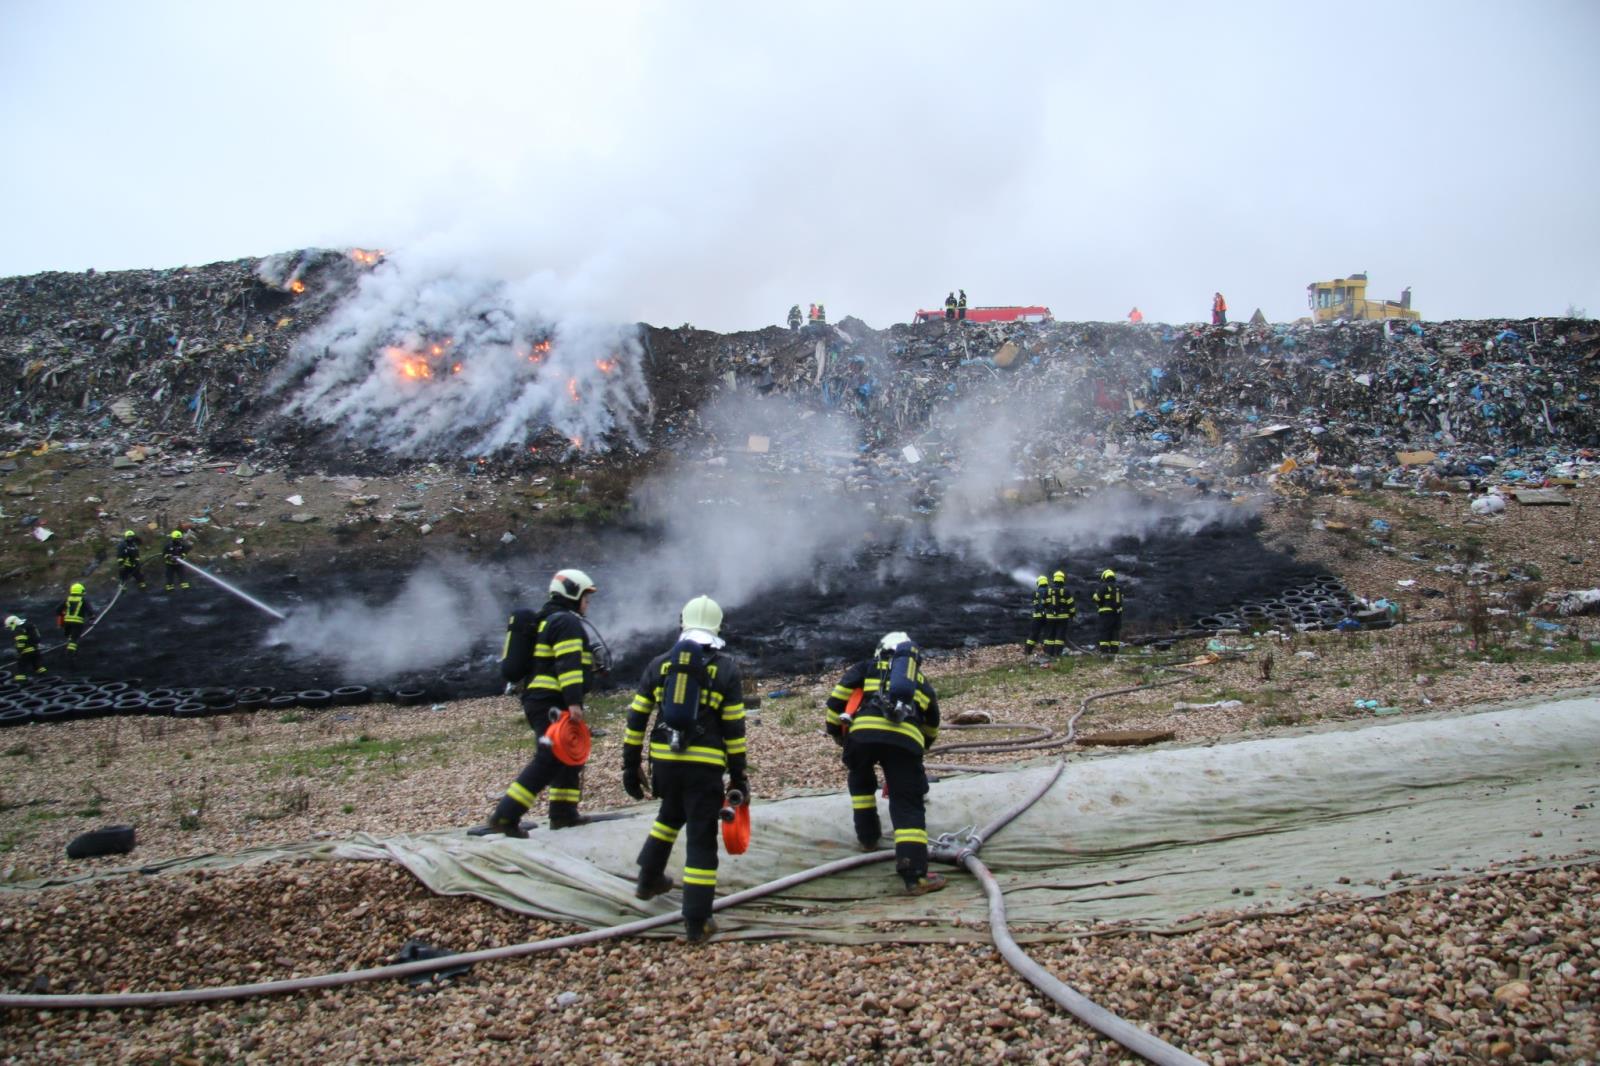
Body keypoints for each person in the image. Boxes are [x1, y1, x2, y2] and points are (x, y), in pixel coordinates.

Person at [622, 595, 748, 944]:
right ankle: (697, 920)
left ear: (683, 624)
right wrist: (739, 775)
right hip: (703, 766)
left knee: (670, 812)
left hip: (664, 761)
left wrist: (630, 766)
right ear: (717, 628)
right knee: (701, 837)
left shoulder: (659, 664)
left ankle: (648, 879)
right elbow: (734, 729)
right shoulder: (726, 669)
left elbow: (636, 720)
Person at [472, 568, 601, 837]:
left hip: (545, 700)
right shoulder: (566, 623)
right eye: (585, 597)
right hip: (551, 702)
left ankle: (564, 814)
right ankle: (505, 816)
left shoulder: (548, 620)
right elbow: (568, 664)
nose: (587, 604)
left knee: (568, 757)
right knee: (549, 758)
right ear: (572, 594)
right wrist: (574, 702)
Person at [824, 632, 945, 895]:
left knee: (861, 783)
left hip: (861, 736)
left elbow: (836, 701)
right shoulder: (918, 681)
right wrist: (919, 749)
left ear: (880, 650)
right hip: (904, 741)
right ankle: (914, 877)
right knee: (907, 803)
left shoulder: (865, 668)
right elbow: (932, 723)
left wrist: (835, 731)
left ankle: (867, 839)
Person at [55, 582, 94, 663]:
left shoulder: (68, 599)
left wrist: (63, 615)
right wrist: (91, 618)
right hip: (77, 623)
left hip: (67, 622)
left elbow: (58, 610)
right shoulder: (82, 600)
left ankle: (71, 651)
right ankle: (70, 655)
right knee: (74, 640)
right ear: (81, 591)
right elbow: (89, 610)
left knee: (69, 636)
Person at [1092, 569, 1124, 655]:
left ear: (1105, 577)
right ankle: (1114, 654)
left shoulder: (1103, 586)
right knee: (1115, 634)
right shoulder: (1119, 587)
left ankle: (1105, 654)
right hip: (1117, 615)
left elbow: (1097, 599)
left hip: (1106, 615)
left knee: (1104, 633)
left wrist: (1095, 595)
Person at [6, 616, 45, 682]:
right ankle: (45, 676)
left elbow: (21, 642)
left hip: (26, 652)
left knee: (21, 667)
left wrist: (19, 652)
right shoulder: (28, 626)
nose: (10, 628)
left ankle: (20, 682)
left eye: (10, 626)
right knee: (38, 666)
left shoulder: (19, 629)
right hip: (35, 650)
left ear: (13, 623)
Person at [1049, 570, 1076, 655]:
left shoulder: (1049, 591)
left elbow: (1044, 604)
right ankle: (1057, 653)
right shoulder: (1066, 591)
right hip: (1062, 618)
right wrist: (1072, 615)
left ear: (1054, 579)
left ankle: (1049, 653)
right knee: (1059, 637)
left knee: (1050, 636)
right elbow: (1071, 604)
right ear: (1062, 579)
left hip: (1050, 618)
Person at [1023, 575, 1048, 657]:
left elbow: (1036, 604)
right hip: (1047, 617)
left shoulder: (1035, 592)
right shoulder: (1049, 591)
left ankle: (1027, 650)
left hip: (1037, 617)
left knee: (1034, 634)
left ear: (1038, 583)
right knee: (1048, 633)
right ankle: (1048, 651)